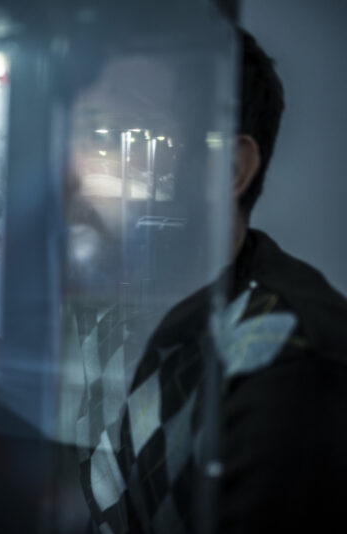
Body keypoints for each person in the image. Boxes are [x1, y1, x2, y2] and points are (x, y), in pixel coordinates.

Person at [79, 28, 347, 534]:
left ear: (228, 170)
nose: (74, 172)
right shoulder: (128, 311)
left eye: (118, 136)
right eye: (82, 134)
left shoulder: (290, 355)